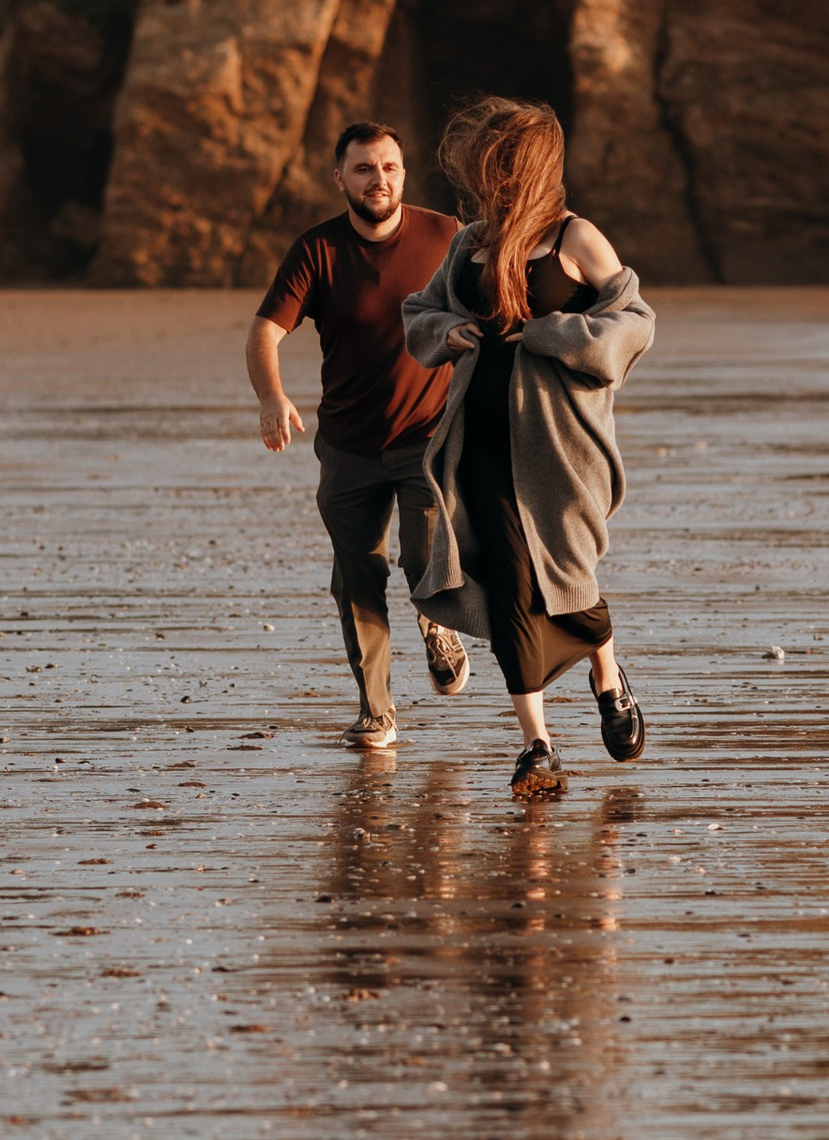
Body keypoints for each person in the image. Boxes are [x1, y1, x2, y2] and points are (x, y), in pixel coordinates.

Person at [402, 97, 655, 801]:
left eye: (505, 161)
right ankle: (537, 746)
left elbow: (635, 323)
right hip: (477, 440)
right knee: (512, 581)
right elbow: (420, 313)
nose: (494, 175)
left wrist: (548, 333)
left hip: (558, 446)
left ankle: (608, 676)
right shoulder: (472, 243)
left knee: (569, 585)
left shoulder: (577, 238)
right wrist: (448, 334)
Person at [247, 119, 471, 750]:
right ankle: (377, 710)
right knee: (356, 577)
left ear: (405, 171)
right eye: (365, 168)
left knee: (425, 557)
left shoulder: (445, 236)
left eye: (390, 167)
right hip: (347, 445)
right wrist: (272, 398)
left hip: (428, 437)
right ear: (339, 176)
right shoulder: (317, 250)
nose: (380, 179)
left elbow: (491, 308)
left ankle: (438, 625)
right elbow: (265, 331)